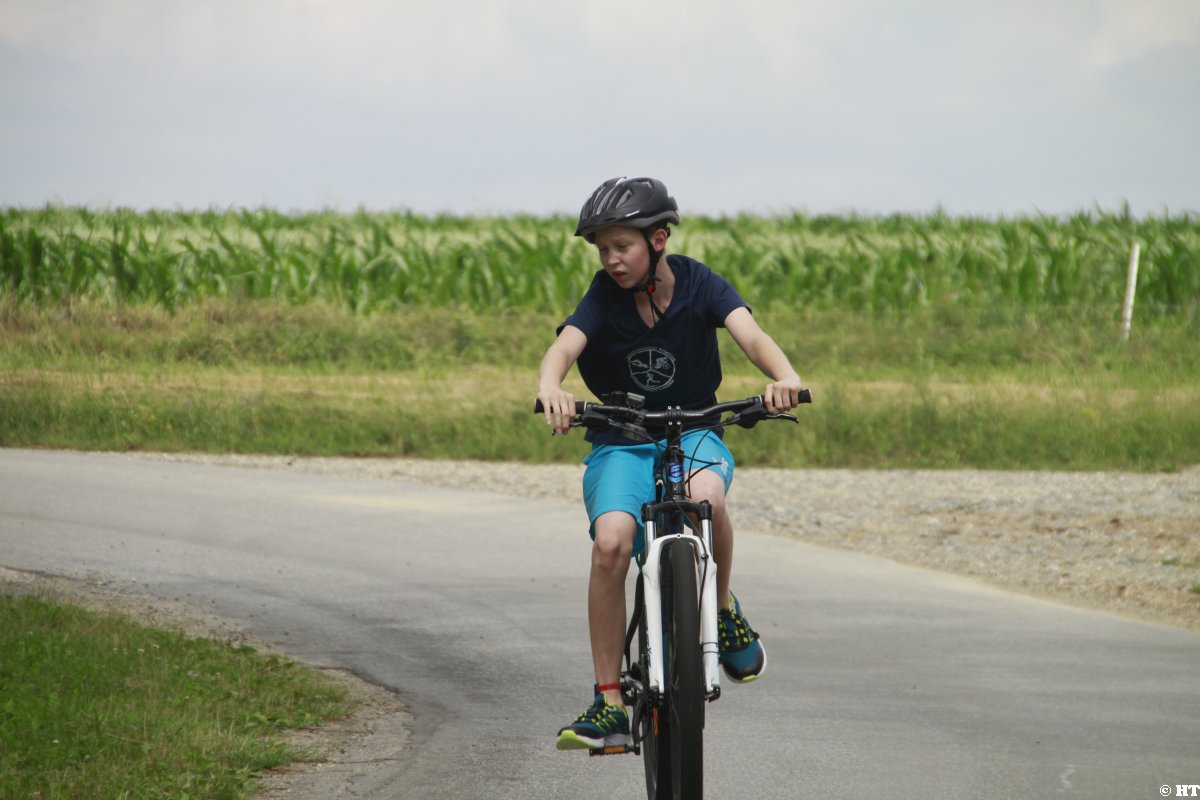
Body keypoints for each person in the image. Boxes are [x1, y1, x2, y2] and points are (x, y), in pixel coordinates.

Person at [537, 176, 805, 751]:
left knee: (708, 500)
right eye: (603, 249)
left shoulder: (700, 282)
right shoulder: (603, 296)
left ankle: (722, 608)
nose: (611, 259)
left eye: (622, 246)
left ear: (657, 240)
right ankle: (609, 702)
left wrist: (783, 377)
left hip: (695, 428)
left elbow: (750, 334)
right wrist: (550, 386)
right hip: (622, 437)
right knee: (611, 544)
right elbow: (565, 347)